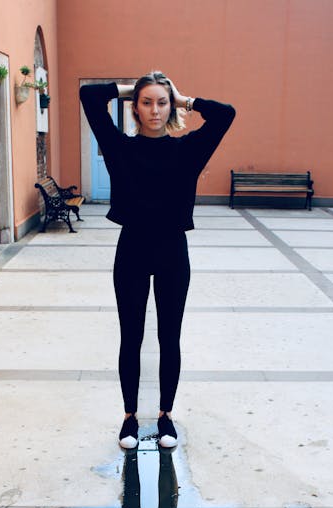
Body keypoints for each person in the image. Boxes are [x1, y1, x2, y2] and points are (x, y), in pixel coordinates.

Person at [80, 72, 235, 449]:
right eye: (146, 102)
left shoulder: (189, 149)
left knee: (170, 336)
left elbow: (225, 114)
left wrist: (184, 99)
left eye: (161, 102)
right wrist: (130, 88)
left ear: (171, 107)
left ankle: (166, 416)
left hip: (172, 251)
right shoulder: (119, 147)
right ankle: (129, 417)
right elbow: (88, 95)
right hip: (131, 248)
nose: (154, 110)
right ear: (134, 108)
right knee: (130, 336)